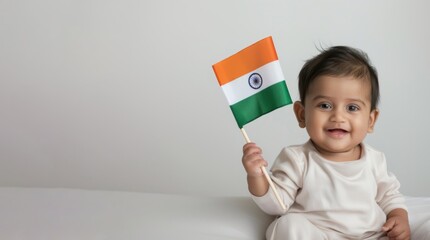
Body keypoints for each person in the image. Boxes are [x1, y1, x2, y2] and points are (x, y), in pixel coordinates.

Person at [242, 46, 410, 240]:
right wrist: (256, 176)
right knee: (287, 225)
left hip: (370, 235)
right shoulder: (298, 159)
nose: (338, 116)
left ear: (370, 120)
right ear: (302, 114)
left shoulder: (375, 160)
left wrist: (399, 218)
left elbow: (390, 197)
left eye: (352, 107)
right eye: (325, 105)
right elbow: (277, 204)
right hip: (319, 235)